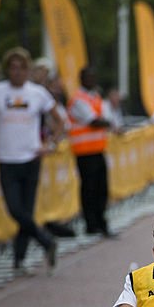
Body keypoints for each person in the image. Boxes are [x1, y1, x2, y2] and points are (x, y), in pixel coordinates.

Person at [0, 47, 64, 272]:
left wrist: (50, 144)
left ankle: (18, 260)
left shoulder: (37, 93)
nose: (17, 72)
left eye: (21, 68)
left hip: (31, 159)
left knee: (26, 212)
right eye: (13, 68)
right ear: (7, 70)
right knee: (14, 210)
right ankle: (46, 241)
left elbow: (59, 120)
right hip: (7, 160)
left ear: (28, 70)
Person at [68, 66, 115, 237]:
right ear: (81, 79)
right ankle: (91, 224)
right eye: (88, 77)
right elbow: (94, 121)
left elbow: (107, 118)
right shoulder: (78, 99)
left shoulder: (95, 97)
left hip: (98, 149)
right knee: (89, 189)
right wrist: (105, 121)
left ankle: (100, 222)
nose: (92, 80)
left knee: (102, 188)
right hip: (84, 152)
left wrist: (105, 121)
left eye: (93, 77)